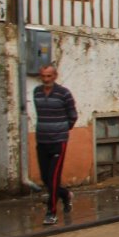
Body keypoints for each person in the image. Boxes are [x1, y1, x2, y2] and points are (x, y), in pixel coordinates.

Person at [34, 64, 77, 225]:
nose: (46, 80)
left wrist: (62, 130)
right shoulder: (37, 92)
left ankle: (51, 213)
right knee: (46, 179)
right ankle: (65, 195)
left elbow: (72, 115)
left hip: (58, 141)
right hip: (42, 140)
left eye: (49, 76)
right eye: (43, 76)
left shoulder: (64, 94)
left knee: (53, 178)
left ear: (55, 76)